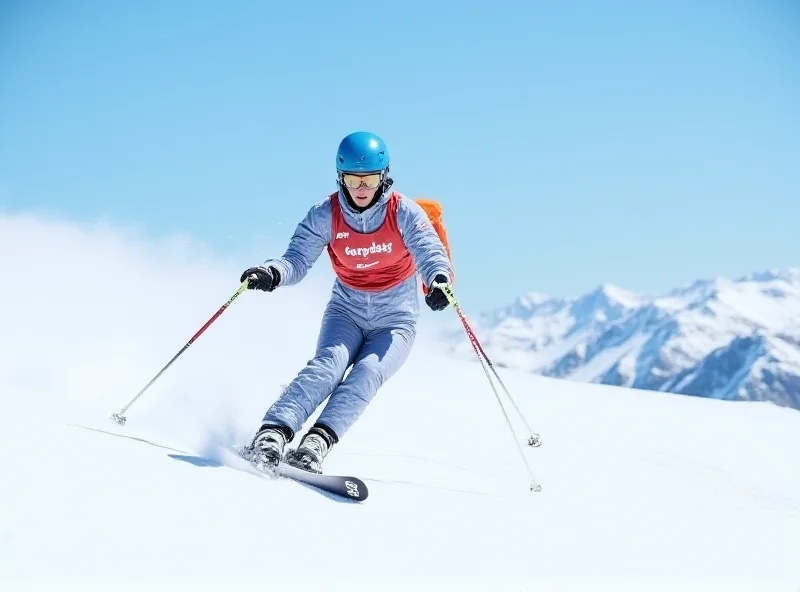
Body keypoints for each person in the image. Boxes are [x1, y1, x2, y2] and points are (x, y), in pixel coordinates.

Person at [239, 131, 454, 475]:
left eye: (369, 179)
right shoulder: (326, 214)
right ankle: (272, 433)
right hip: (347, 311)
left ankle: (315, 444)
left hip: (395, 319)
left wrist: (439, 279)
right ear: (341, 177)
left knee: (368, 372)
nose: (361, 189)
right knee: (328, 365)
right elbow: (296, 258)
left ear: (384, 176)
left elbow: (430, 252)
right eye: (352, 180)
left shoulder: (405, 213)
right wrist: (272, 272)